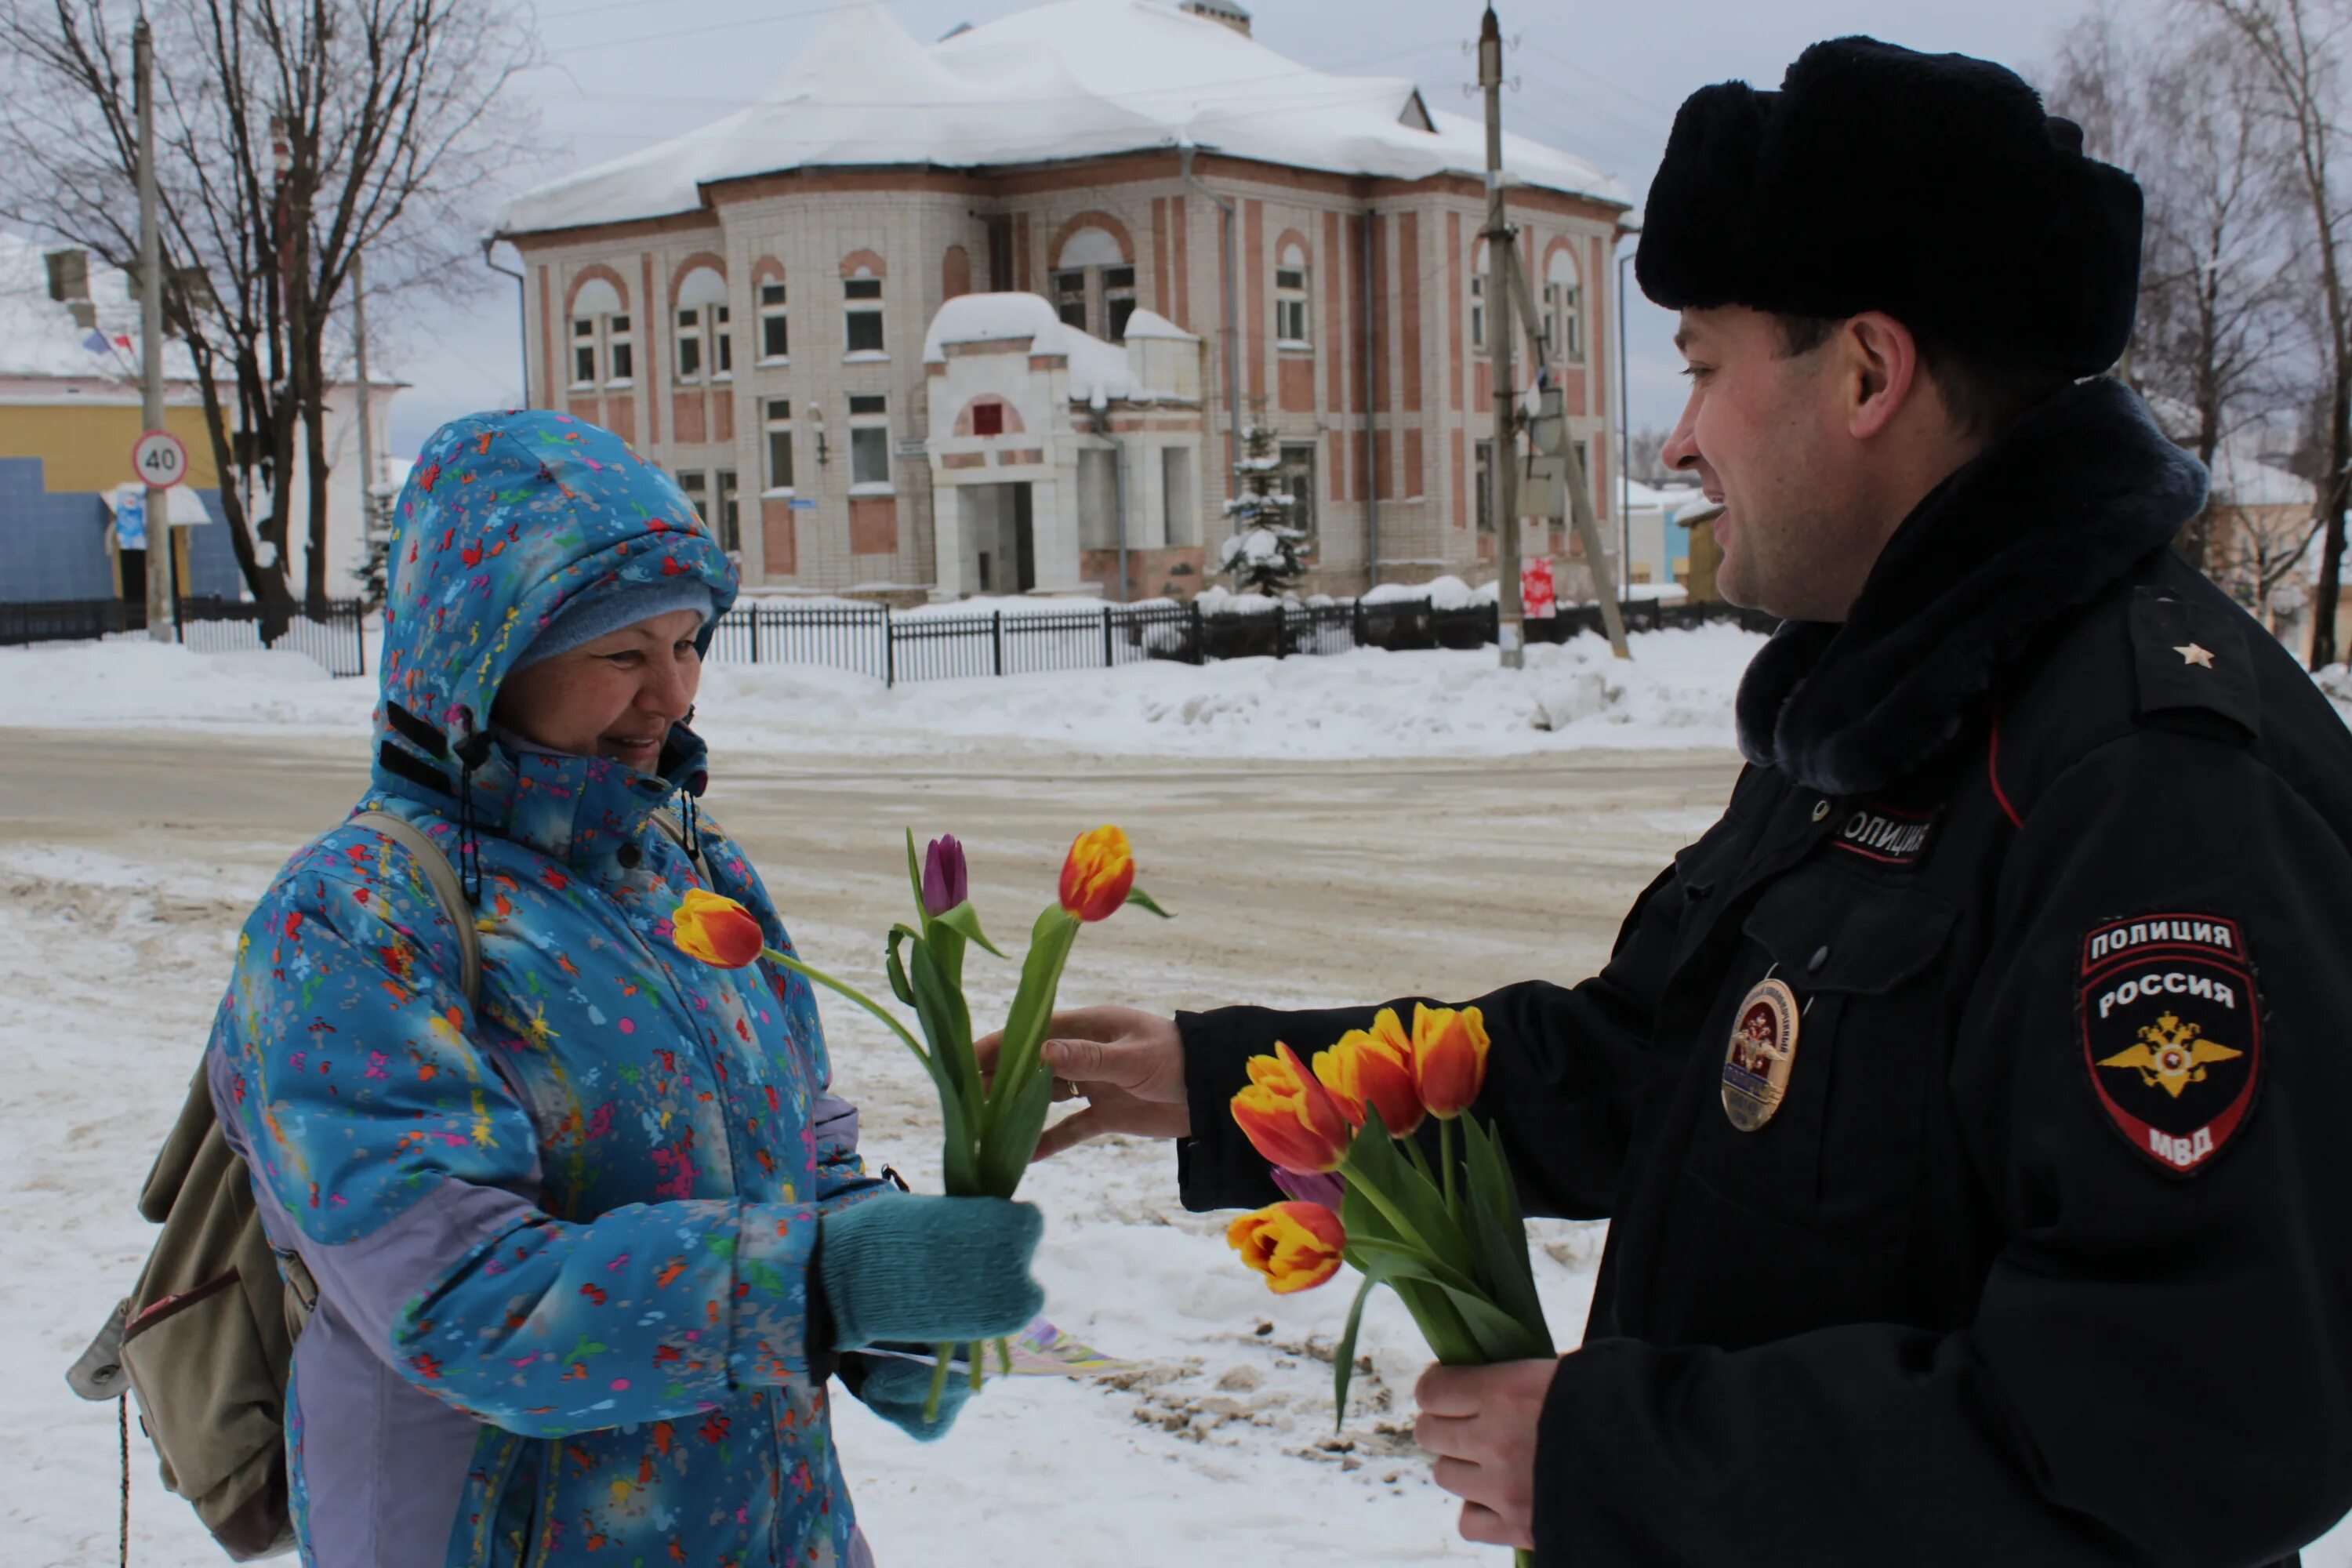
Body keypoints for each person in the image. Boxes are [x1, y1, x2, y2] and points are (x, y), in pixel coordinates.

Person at [1006, 38, 2352, 1565]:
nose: (1675, 438)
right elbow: (1640, 1067)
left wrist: (1620, 1459)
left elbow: (2195, 1422)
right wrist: (1239, 1083)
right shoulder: (1891, 712)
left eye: (1706, 365)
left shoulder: (2146, 779)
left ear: (1865, 372)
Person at [208, 408, 1044, 1568]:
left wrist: (884, 1293)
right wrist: (816, 1282)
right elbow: (457, 1304)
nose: (672, 695)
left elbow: (807, 1143)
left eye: (688, 643)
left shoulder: (691, 870)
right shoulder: (351, 920)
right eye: (620, 654)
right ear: (482, 662)